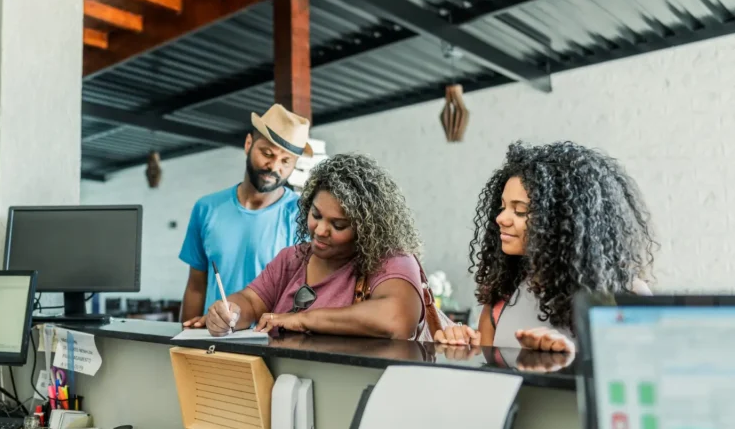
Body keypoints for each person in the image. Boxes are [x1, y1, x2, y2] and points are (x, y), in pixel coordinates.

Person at [434, 141, 655, 352]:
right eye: (502, 207)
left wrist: (569, 358)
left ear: (562, 220)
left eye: (520, 211)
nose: (501, 218)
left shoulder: (627, 295)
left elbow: (646, 367)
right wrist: (464, 345)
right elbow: (489, 369)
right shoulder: (502, 297)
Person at [186, 153, 427, 340]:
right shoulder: (293, 259)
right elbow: (250, 300)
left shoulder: (390, 259)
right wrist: (230, 312)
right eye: (316, 215)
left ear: (367, 228)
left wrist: (303, 320)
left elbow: (397, 319)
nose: (320, 230)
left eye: (338, 225)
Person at [179, 104, 310, 322]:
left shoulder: (302, 216)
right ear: (248, 144)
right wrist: (186, 335)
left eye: (286, 161)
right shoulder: (207, 208)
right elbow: (195, 287)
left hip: (272, 338)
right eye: (267, 153)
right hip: (215, 334)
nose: (274, 166)